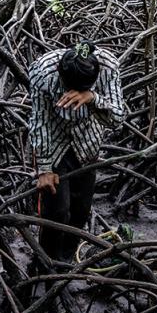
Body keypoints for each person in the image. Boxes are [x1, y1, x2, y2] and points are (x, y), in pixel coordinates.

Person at [28, 40, 125, 261]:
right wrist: (44, 168)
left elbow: (118, 117)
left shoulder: (108, 67)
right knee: (57, 211)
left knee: (81, 210)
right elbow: (40, 120)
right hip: (53, 143)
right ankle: (46, 263)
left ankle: (67, 262)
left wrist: (93, 99)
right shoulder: (43, 71)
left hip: (87, 142)